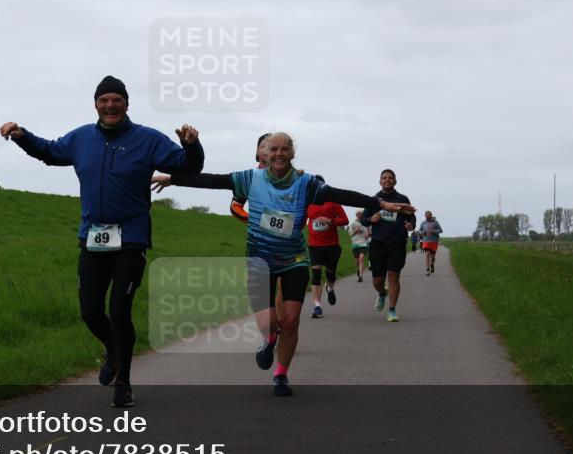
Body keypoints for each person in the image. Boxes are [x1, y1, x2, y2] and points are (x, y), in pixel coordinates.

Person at [153, 133, 414, 397]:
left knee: (290, 321)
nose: (278, 153)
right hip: (259, 260)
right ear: (263, 154)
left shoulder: (306, 182)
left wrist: (379, 202)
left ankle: (281, 374)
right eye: (273, 149)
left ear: (292, 154)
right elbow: (214, 181)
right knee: (268, 324)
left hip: (294, 260)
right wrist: (174, 179)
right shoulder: (249, 178)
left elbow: (340, 194)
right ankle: (268, 339)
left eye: (284, 149)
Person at [0, 75, 204, 408]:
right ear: (96, 104)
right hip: (93, 237)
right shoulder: (82, 138)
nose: (110, 105)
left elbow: (188, 167)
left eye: (116, 100)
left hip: (131, 239)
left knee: (119, 310)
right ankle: (112, 348)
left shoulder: (147, 139)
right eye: (103, 100)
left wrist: (191, 146)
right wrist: (21, 135)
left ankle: (123, 381)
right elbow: (50, 152)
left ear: (126, 104)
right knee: (91, 311)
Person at [360, 169, 416, 323]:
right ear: (380, 181)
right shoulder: (374, 200)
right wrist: (371, 219)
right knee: (377, 281)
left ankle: (392, 310)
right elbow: (363, 219)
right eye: (384, 178)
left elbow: (411, 216)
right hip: (377, 244)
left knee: (393, 275)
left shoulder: (402, 199)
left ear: (395, 181)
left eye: (390, 178)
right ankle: (382, 293)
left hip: (397, 243)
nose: (387, 180)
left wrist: (411, 224)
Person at [305, 197, 348, 317]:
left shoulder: (333, 202)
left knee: (331, 274)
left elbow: (345, 220)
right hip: (314, 245)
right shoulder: (307, 203)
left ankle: (329, 287)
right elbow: (301, 220)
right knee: (316, 274)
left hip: (331, 245)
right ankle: (317, 306)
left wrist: (330, 221)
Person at [348, 212, 371, 282]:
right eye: (358, 214)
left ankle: (360, 276)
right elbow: (350, 234)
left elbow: (369, 232)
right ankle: (358, 269)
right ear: (356, 215)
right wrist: (355, 231)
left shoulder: (366, 223)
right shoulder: (353, 224)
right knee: (357, 262)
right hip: (355, 244)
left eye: (361, 214)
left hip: (364, 243)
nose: (360, 215)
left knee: (361, 258)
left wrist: (368, 234)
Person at [419, 211, 443, 275]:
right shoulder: (423, 223)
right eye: (426, 215)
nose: (427, 216)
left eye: (429, 215)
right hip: (426, 241)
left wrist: (434, 231)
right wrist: (422, 233)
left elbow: (441, 230)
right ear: (425, 216)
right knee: (427, 254)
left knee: (432, 257)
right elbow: (420, 230)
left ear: (431, 215)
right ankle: (427, 269)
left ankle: (432, 264)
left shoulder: (435, 222)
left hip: (434, 241)